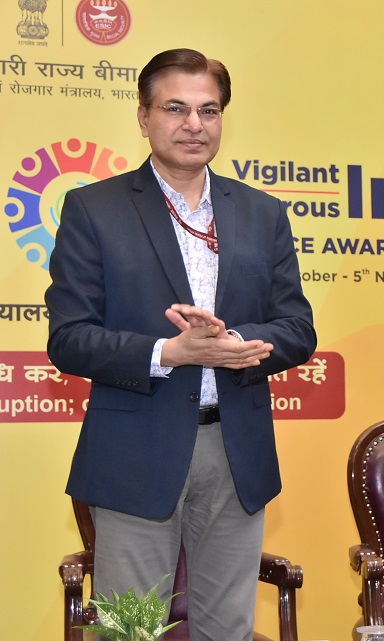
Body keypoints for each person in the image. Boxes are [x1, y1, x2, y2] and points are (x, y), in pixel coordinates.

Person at [45, 48, 316, 641]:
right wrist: (171, 353)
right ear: (144, 117)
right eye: (175, 108)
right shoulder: (94, 209)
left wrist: (234, 342)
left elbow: (297, 328)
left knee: (228, 631)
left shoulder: (263, 213)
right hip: (135, 448)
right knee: (131, 631)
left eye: (208, 110)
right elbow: (69, 338)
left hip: (236, 449)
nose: (194, 124)